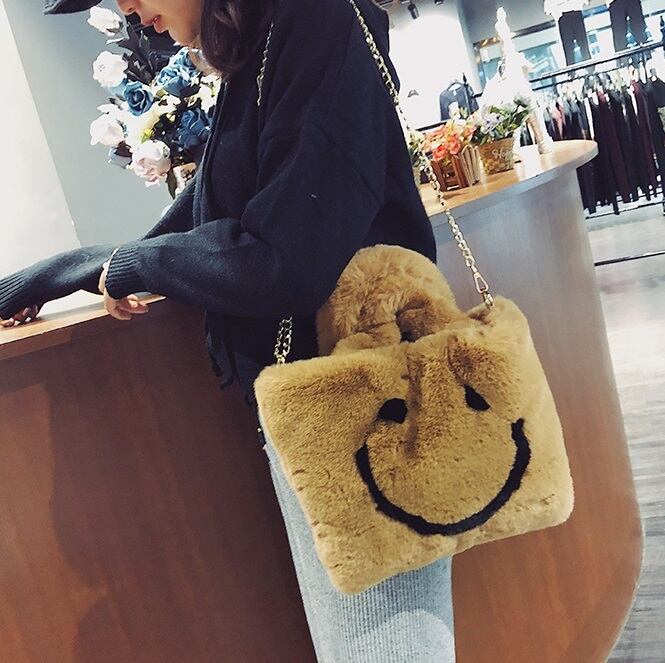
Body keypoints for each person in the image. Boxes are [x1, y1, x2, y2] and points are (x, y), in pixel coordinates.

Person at [0, 0, 455, 660]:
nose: (125, 9)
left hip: (369, 416)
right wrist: (59, 277)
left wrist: (129, 264)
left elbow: (284, 258)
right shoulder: (268, 48)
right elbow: (207, 213)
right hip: (334, 410)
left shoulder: (315, 22)